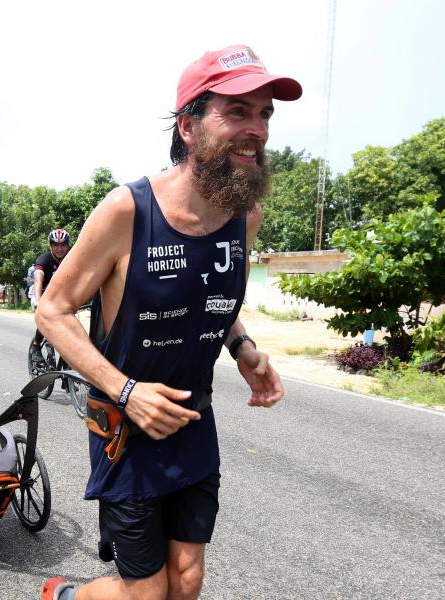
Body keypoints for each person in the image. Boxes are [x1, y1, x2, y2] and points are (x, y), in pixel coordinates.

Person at [35, 44, 297, 600]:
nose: (258, 130)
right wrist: (125, 391)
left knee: (188, 582)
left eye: (265, 114)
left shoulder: (245, 216)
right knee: (148, 594)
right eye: (239, 111)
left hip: (193, 421)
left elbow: (213, 295)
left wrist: (244, 346)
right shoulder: (127, 211)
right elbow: (52, 311)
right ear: (189, 127)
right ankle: (65, 596)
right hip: (126, 432)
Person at [29, 228, 72, 368]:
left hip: (60, 294)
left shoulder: (72, 258)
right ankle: (36, 346)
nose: (59, 249)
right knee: (46, 315)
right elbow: (38, 281)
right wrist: (39, 302)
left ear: (68, 245)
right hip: (40, 291)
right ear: (50, 246)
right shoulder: (44, 259)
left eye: (63, 245)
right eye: (55, 245)